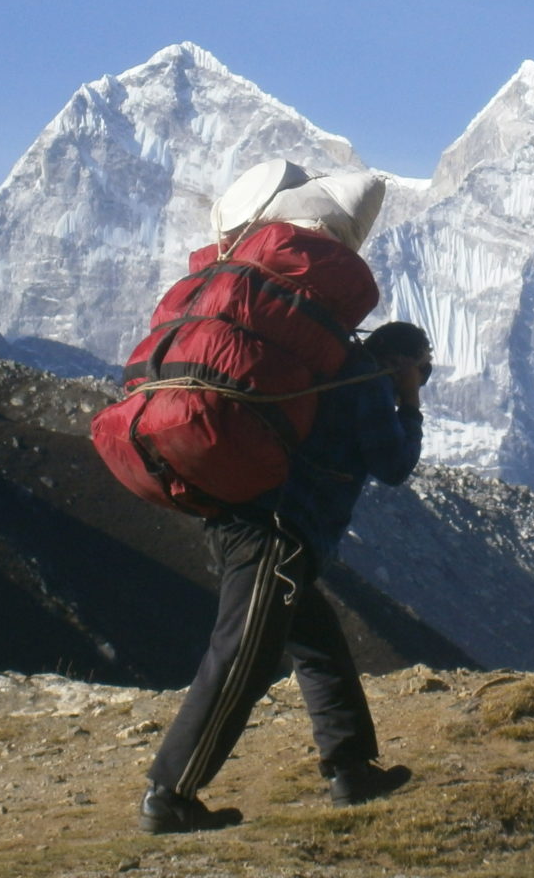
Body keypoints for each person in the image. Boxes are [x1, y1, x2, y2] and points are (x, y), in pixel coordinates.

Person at [139, 321, 432, 834]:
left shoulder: (336, 370)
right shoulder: (366, 383)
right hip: (273, 535)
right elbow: (394, 463)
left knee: (319, 644)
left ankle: (352, 770)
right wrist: (408, 401)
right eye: (422, 369)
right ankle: (169, 796)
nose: (422, 379)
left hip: (253, 525)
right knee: (240, 662)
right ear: (400, 362)